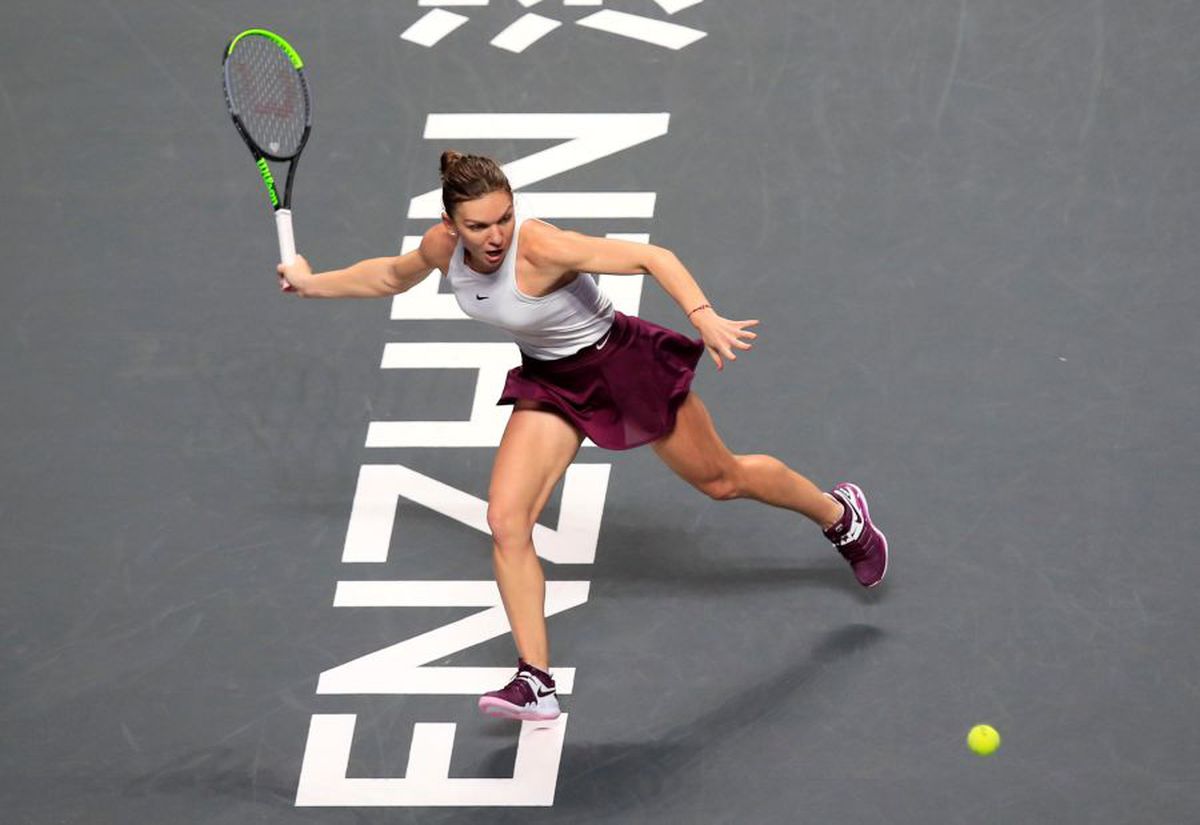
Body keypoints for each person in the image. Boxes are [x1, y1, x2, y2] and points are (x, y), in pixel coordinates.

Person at [277, 151, 889, 723]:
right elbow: (388, 276)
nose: (495, 236)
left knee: (721, 480)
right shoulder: (444, 248)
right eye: (478, 225)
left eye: (504, 218)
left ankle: (841, 517)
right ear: (450, 223)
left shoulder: (540, 246)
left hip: (619, 364)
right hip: (552, 381)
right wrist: (310, 282)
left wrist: (703, 316)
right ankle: (536, 682)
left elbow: (656, 258)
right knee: (506, 521)